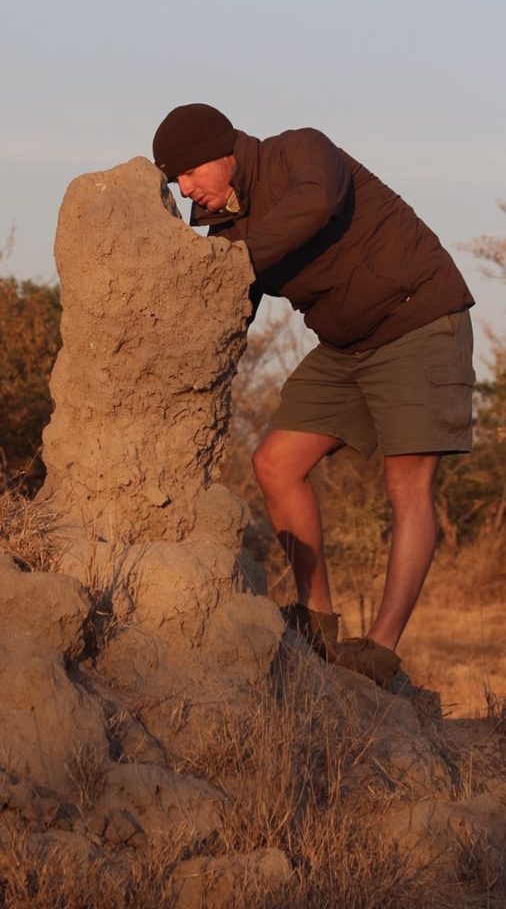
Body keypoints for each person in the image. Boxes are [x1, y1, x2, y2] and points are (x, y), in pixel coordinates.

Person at [152, 103, 475, 688]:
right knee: (275, 463)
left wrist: (238, 256)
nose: (184, 188)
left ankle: (379, 650)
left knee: (407, 484)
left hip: (418, 318)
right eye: (174, 180)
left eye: (189, 172)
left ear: (224, 150)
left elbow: (317, 202)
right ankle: (316, 618)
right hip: (346, 346)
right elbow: (227, 317)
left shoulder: (300, 149)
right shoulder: (227, 230)